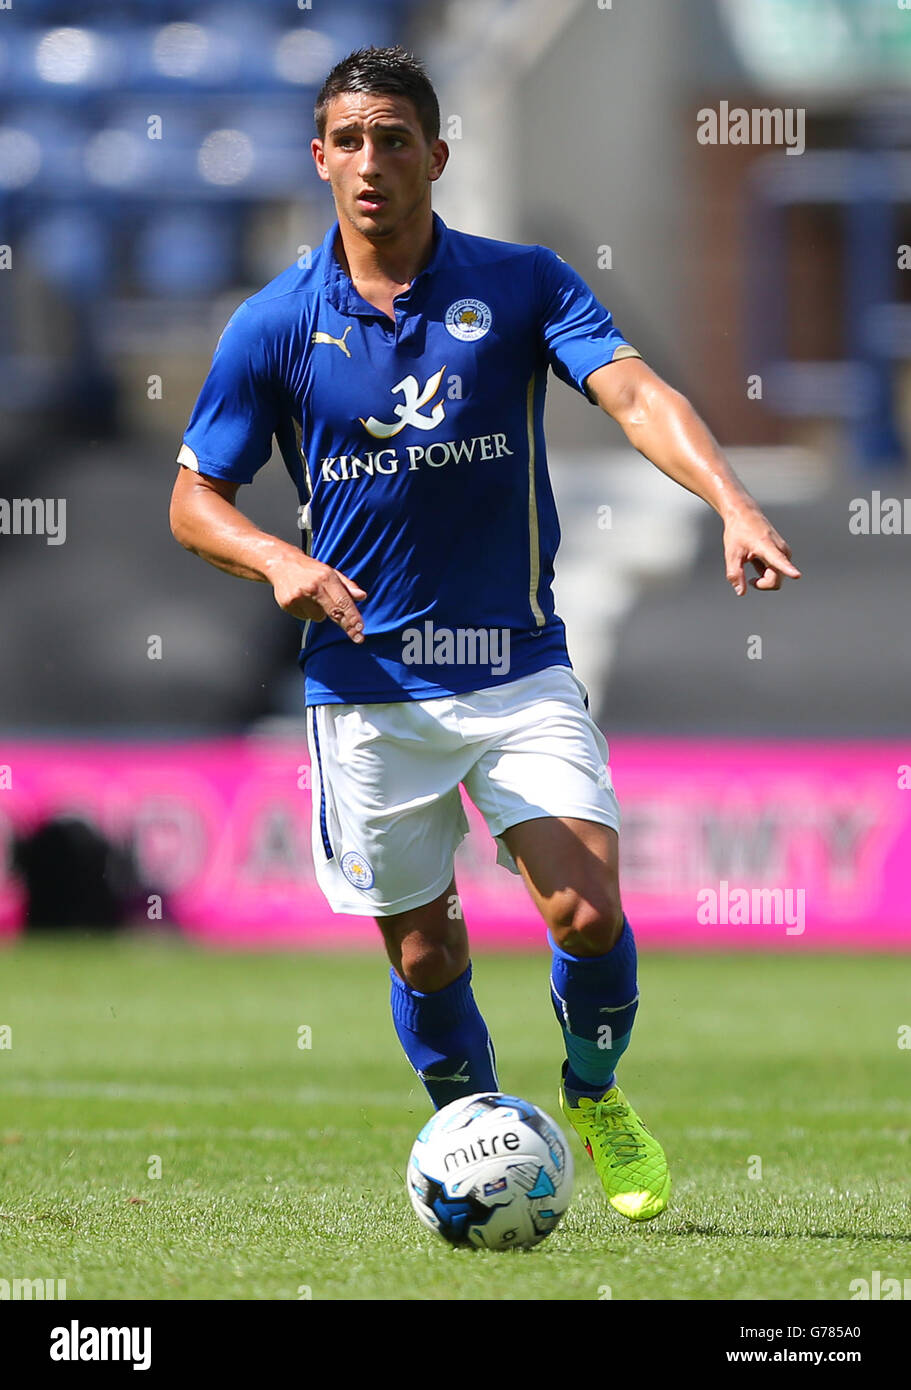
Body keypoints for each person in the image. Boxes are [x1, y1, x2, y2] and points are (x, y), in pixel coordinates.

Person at [169, 45, 800, 1223]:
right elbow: (192, 497)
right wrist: (276, 558)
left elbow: (632, 392)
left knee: (587, 908)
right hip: (363, 687)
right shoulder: (274, 323)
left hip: (514, 665)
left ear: (435, 156)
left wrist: (731, 498)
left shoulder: (519, 284)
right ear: (318, 158)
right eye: (348, 140)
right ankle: (486, 1142)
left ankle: (594, 1092)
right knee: (423, 957)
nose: (370, 161)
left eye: (393, 139)